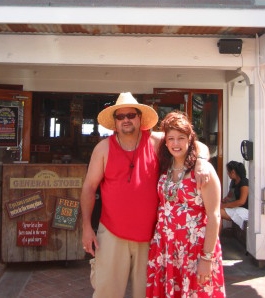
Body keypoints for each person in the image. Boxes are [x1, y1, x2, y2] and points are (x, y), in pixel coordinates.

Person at [81, 92, 211, 298]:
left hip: (151, 238)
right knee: (107, 293)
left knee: (148, 293)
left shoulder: (156, 142)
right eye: (120, 116)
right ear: (114, 121)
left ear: (140, 118)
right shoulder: (103, 149)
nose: (126, 120)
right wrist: (86, 226)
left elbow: (196, 145)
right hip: (112, 234)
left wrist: (202, 161)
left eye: (130, 115)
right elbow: (89, 187)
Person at [146, 111, 225, 297]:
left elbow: (214, 216)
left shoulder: (203, 172)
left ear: (190, 139)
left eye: (181, 138)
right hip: (165, 249)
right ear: (165, 142)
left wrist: (207, 258)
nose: (175, 143)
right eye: (171, 138)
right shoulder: (165, 169)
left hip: (194, 250)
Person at [220, 161, 249, 231]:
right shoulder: (233, 182)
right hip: (235, 207)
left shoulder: (244, 182)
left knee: (217, 212)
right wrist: (224, 201)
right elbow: (229, 196)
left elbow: (242, 201)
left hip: (244, 210)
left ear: (232, 172)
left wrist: (226, 205)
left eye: (228, 171)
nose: (227, 173)